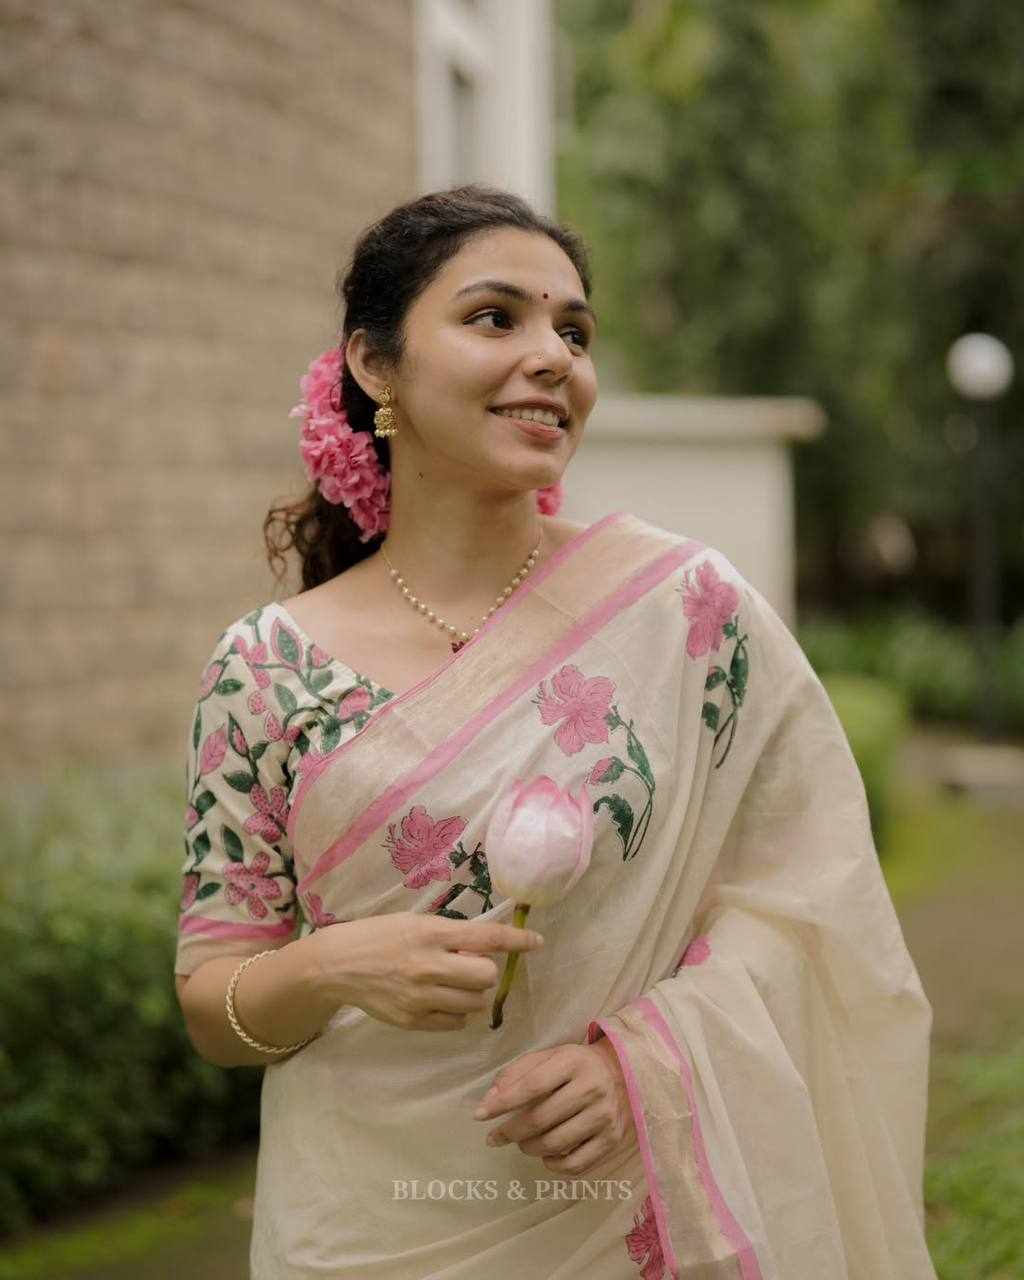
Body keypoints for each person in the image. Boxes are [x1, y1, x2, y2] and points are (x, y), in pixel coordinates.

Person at [174, 184, 938, 1279]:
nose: (552, 358)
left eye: (573, 333)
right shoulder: (263, 667)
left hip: (615, 1214)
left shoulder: (685, 612)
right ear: (375, 365)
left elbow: (812, 900)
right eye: (495, 317)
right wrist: (334, 965)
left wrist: (645, 1062)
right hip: (360, 1224)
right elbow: (215, 1003)